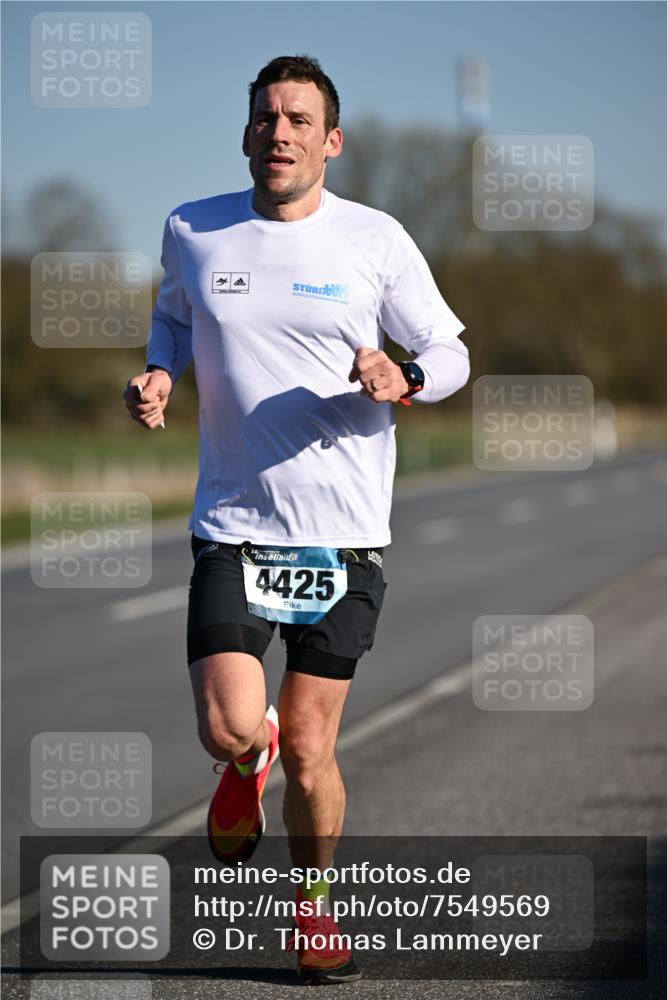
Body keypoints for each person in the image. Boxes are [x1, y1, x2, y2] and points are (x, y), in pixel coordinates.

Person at [124, 54, 469, 985]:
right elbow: (172, 321)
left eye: (299, 120)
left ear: (331, 141)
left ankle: (312, 911)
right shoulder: (193, 229)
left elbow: (448, 346)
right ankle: (247, 759)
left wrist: (408, 377)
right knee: (232, 726)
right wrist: (160, 373)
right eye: (266, 118)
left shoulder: (375, 239)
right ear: (246, 134)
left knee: (314, 750)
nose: (280, 133)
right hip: (234, 523)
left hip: (345, 533)